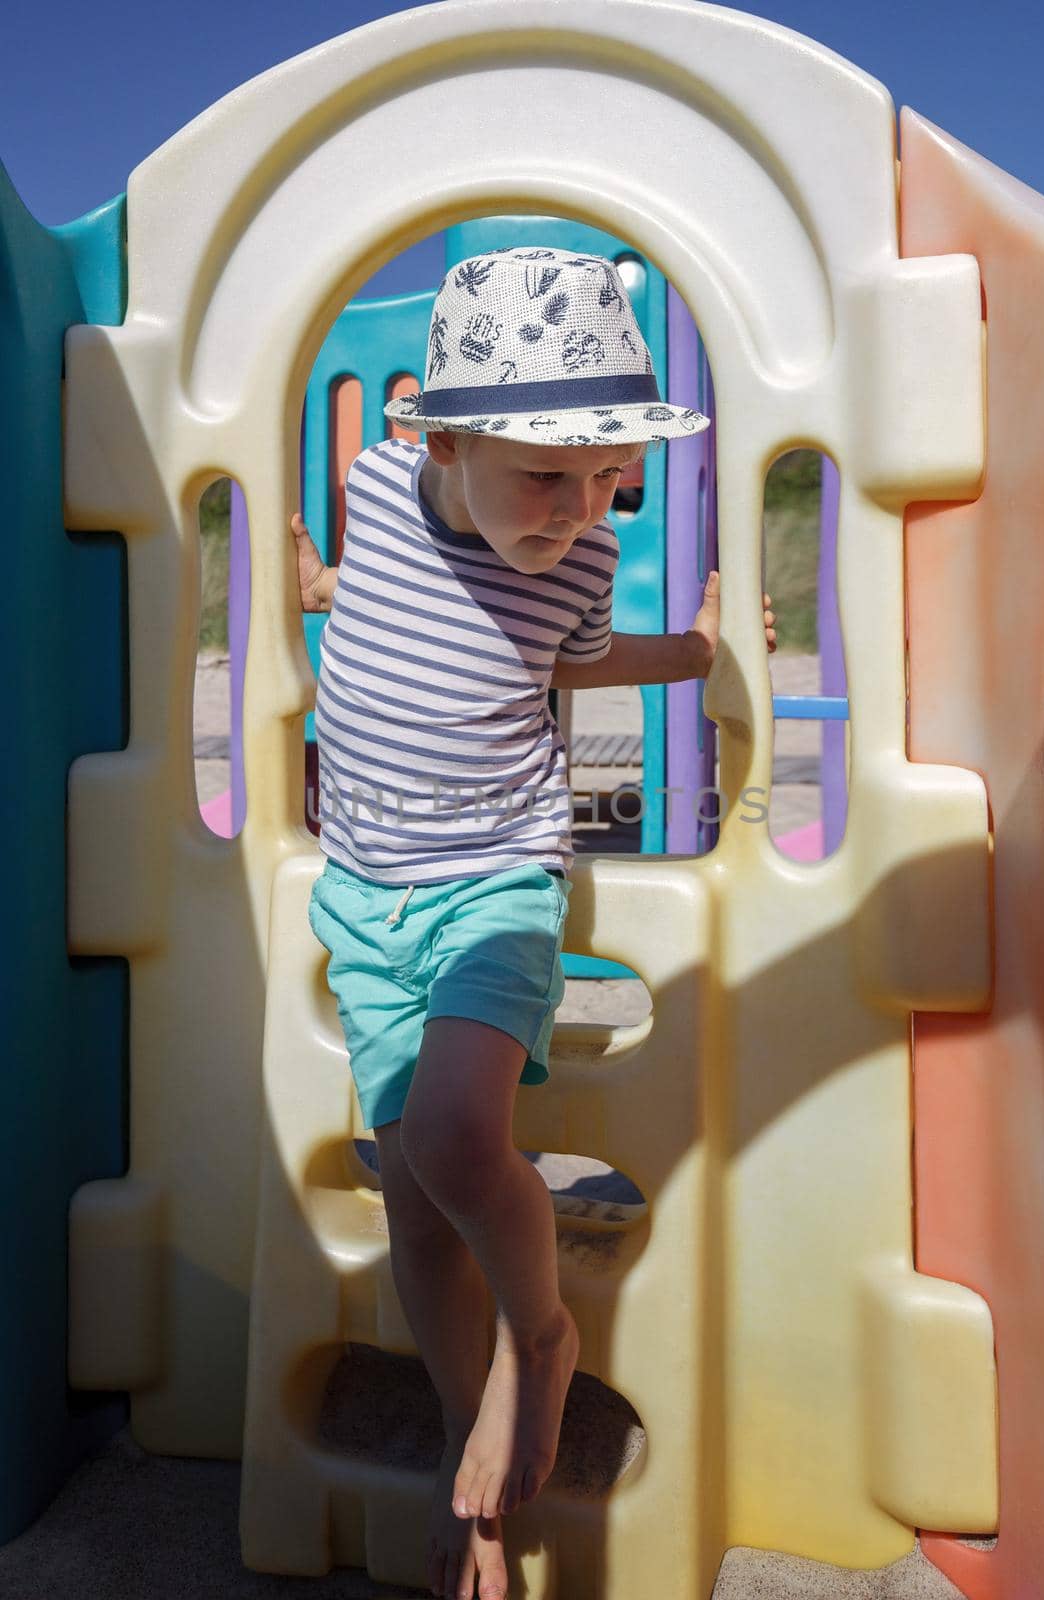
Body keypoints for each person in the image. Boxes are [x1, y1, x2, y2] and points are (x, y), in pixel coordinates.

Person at [291, 246, 777, 1600]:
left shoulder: (580, 557)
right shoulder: (379, 493)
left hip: (495, 874)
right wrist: (321, 594)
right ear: (444, 443)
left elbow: (578, 654)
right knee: (415, 1199)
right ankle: (471, 1443)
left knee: (455, 1133)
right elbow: (380, 602)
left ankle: (542, 1341)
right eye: (547, 476)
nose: (580, 512)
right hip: (363, 884)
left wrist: (687, 651)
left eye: (605, 474)